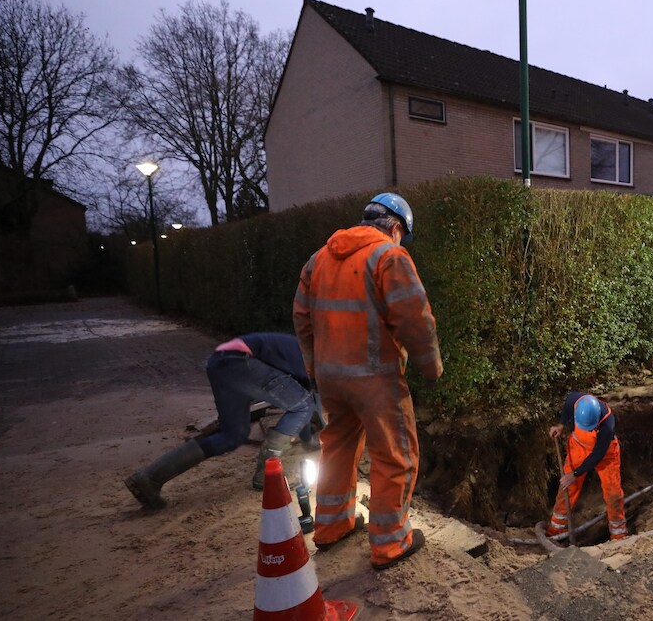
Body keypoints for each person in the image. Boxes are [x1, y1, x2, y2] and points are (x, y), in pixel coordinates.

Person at [294, 192, 443, 571]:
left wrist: (315, 368)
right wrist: (431, 367)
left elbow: (302, 319)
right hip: (375, 379)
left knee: (338, 447)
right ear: (395, 227)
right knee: (396, 455)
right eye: (402, 235)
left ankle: (331, 526)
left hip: (331, 378)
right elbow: (416, 320)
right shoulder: (389, 257)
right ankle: (391, 544)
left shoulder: (318, 260)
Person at [124, 332, 323, 509]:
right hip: (241, 360)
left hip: (221, 361)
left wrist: (309, 441)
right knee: (303, 405)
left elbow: (305, 404)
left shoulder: (307, 352)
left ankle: (150, 478)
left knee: (232, 436)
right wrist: (310, 441)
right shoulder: (315, 360)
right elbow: (307, 403)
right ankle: (266, 475)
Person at [546, 393, 628, 541]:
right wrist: (561, 425)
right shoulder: (575, 400)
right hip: (578, 447)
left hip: (605, 454)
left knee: (613, 493)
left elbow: (597, 456)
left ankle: (618, 535)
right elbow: (567, 407)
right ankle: (556, 530)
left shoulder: (607, 424)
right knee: (567, 487)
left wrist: (575, 473)